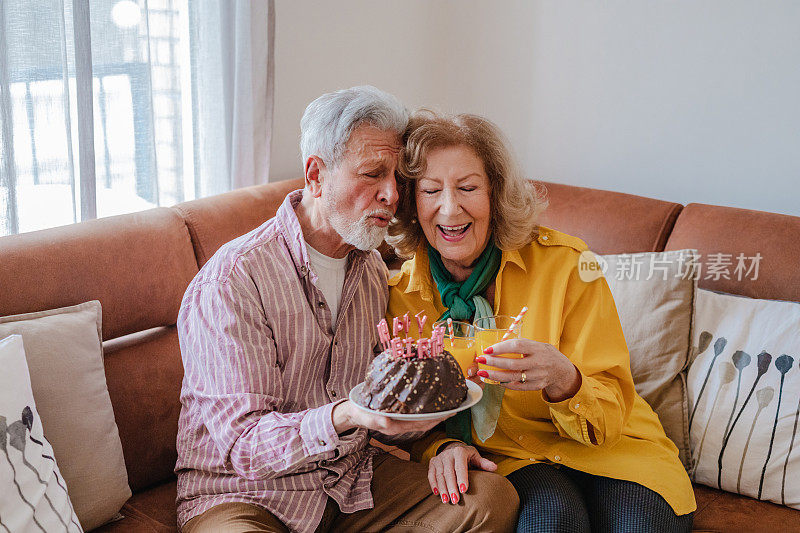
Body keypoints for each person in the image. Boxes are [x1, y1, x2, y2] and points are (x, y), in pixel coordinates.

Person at [175, 87, 518, 533]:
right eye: (373, 174)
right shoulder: (234, 281)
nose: (392, 195)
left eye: (398, 178)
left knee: (490, 499)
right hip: (244, 495)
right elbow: (244, 446)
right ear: (316, 175)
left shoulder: (372, 269)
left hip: (348, 482)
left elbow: (383, 412)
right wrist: (346, 415)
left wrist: (438, 428)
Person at [386, 111, 696, 532]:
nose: (449, 207)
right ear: (411, 200)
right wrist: (443, 445)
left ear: (495, 193)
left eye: (468, 188)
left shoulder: (568, 265)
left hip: (615, 449)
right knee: (553, 521)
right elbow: (403, 410)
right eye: (430, 190)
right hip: (513, 458)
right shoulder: (401, 298)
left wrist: (563, 376)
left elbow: (610, 402)